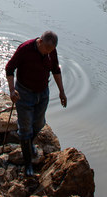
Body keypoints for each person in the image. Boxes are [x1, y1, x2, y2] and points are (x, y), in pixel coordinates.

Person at [5, 30, 67, 176]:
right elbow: (10, 68)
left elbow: (55, 70)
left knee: (39, 123)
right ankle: (28, 165)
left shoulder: (51, 52)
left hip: (43, 93)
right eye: (46, 49)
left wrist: (62, 92)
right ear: (39, 42)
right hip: (24, 93)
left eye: (50, 50)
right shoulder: (25, 49)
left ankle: (28, 143)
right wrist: (12, 90)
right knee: (25, 128)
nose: (48, 53)